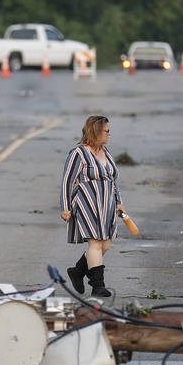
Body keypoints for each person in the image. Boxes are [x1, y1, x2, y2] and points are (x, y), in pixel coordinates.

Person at [59, 115, 127, 297]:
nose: (109, 134)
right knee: (95, 244)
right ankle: (98, 286)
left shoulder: (107, 152)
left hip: (108, 206)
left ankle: (78, 271)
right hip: (87, 204)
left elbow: (113, 180)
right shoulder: (78, 153)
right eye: (107, 131)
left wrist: (119, 202)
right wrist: (65, 207)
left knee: (105, 245)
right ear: (96, 131)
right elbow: (67, 181)